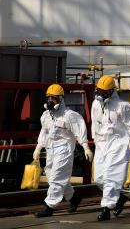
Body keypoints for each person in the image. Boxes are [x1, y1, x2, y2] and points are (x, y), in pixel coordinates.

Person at [33, 84, 93, 218]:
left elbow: (79, 132)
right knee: (52, 176)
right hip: (51, 149)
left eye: (53, 98)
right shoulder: (46, 115)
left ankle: (49, 206)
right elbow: (44, 132)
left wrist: (85, 147)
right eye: (49, 98)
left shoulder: (70, 116)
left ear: (60, 99)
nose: (50, 101)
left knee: (57, 177)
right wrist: (38, 147)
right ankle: (73, 198)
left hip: (64, 150)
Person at [92, 75, 130, 221]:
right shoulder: (96, 104)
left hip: (118, 143)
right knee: (100, 178)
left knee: (111, 176)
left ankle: (106, 208)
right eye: (99, 91)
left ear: (112, 91)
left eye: (104, 92)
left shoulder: (122, 107)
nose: (101, 94)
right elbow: (95, 122)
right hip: (101, 143)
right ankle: (119, 199)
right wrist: (95, 139)